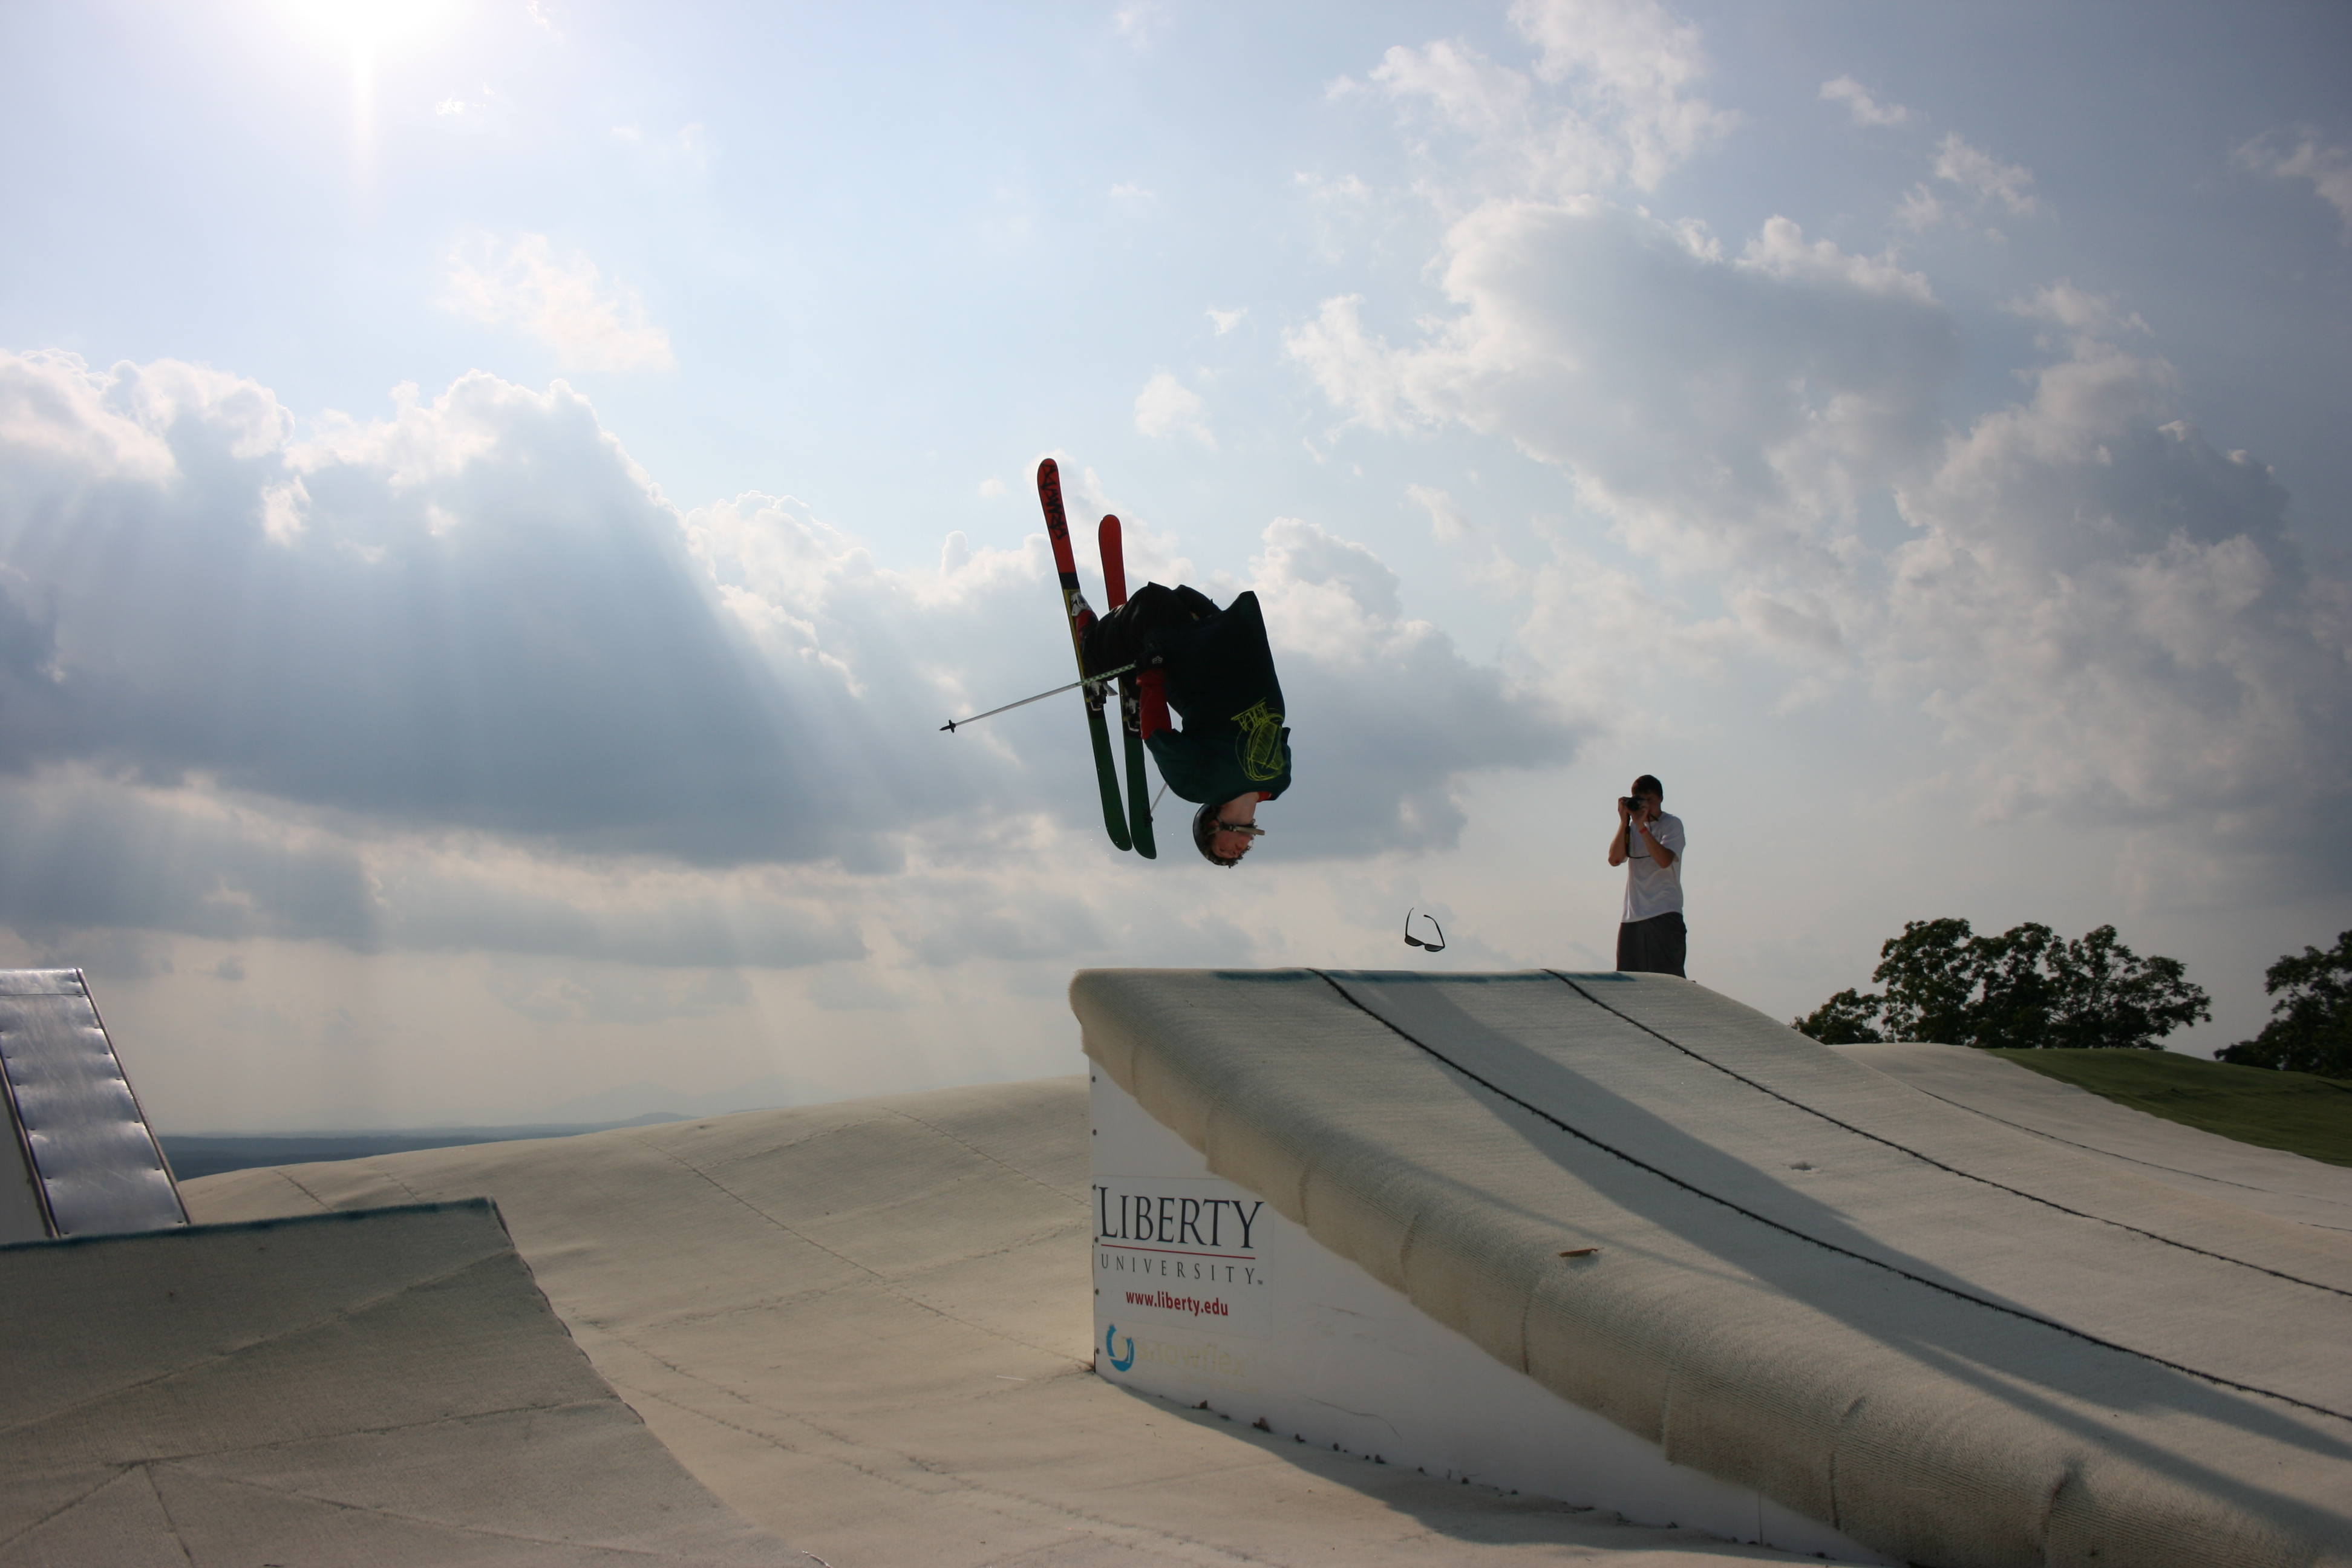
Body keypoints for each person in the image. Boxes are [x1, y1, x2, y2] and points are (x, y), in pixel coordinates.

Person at [1082, 583, 1292, 867]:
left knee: (1153, 605)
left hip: (1183, 652)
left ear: (1211, 828)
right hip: (1229, 638)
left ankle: (1093, 643)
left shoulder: (1197, 787)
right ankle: (1127, 658)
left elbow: (1156, 734)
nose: (1236, 856)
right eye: (1237, 855)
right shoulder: (1279, 783)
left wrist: (1152, 674)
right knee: (1182, 599)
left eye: (1222, 853)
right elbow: (1277, 732)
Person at [1608, 774, 1685, 976]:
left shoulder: (1671, 824)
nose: (1647, 806)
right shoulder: (1632, 827)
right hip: (1632, 916)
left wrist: (1642, 827)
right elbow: (1614, 860)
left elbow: (1664, 861)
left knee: (1668, 980)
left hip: (1665, 911)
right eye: (1641, 801)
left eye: (1650, 800)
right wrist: (1625, 822)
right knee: (1629, 982)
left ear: (1660, 799)